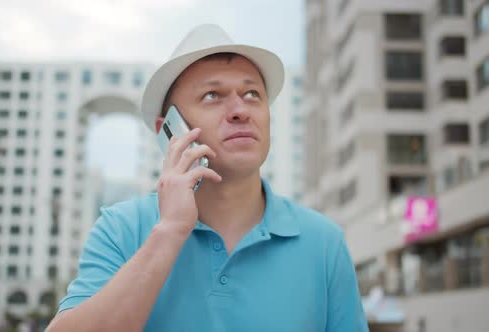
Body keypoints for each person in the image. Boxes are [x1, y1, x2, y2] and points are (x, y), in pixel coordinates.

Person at [46, 24, 368, 332]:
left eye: (252, 94)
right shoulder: (122, 229)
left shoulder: (325, 243)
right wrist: (170, 231)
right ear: (169, 131)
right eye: (212, 95)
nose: (240, 110)